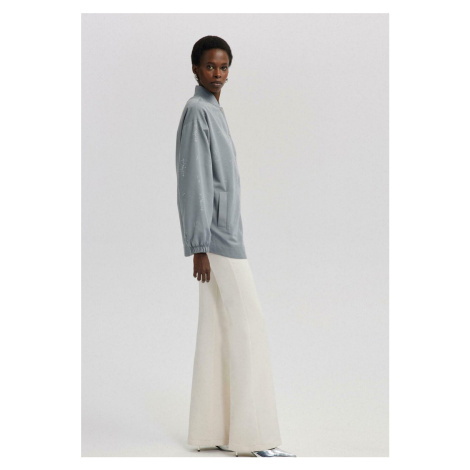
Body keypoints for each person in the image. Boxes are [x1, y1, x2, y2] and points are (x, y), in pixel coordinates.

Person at [175, 35, 296, 458]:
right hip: (217, 238)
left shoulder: (213, 110)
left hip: (223, 233)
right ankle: (255, 439)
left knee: (218, 328)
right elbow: (193, 180)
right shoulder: (197, 111)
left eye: (224, 67)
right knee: (249, 326)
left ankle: (212, 430)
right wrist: (199, 244)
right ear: (195, 68)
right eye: (210, 66)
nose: (218, 74)